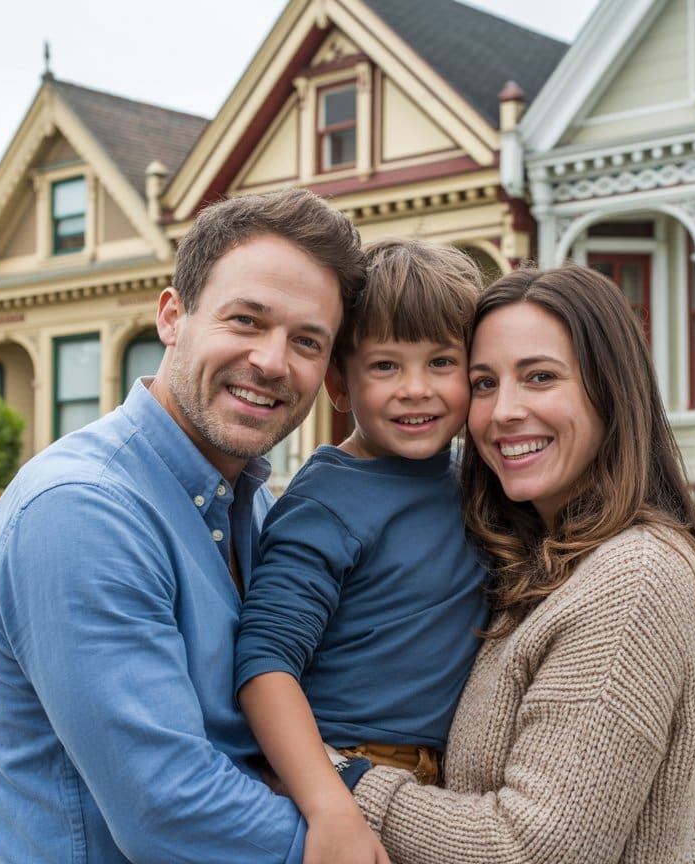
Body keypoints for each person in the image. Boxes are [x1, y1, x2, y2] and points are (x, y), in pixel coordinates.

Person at [0, 187, 365, 864]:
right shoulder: (81, 509)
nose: (272, 361)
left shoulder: (252, 506)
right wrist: (385, 845)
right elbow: (170, 807)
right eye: (245, 320)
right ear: (172, 316)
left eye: (306, 341)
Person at [350, 265, 695, 863]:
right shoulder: (532, 562)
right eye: (484, 383)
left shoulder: (634, 576)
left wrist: (346, 781)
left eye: (540, 377)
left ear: (610, 389)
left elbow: (529, 851)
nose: (503, 411)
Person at [235, 239, 491, 864]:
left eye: (441, 362)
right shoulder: (326, 504)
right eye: (385, 366)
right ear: (339, 384)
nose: (415, 390)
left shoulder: (479, 484)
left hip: (448, 789)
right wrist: (328, 804)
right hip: (345, 779)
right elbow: (265, 666)